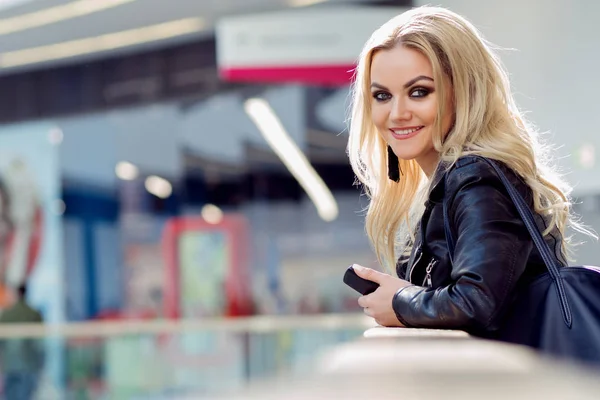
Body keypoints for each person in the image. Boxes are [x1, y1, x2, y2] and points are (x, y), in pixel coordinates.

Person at [347, 6, 596, 340]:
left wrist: (400, 300)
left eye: (419, 91)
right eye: (382, 95)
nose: (397, 113)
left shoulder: (476, 177)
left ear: (463, 91)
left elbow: (477, 302)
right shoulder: (453, 183)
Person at [0, 284, 44, 400]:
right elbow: (40, 341)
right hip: (29, 365)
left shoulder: (7, 314)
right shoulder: (34, 314)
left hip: (10, 365)